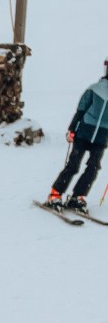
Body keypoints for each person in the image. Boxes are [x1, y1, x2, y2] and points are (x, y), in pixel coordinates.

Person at [45, 57, 108, 214]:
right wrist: (72, 129)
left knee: (93, 167)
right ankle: (55, 194)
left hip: (101, 136)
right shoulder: (94, 89)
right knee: (73, 165)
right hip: (83, 133)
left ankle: (78, 196)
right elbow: (81, 110)